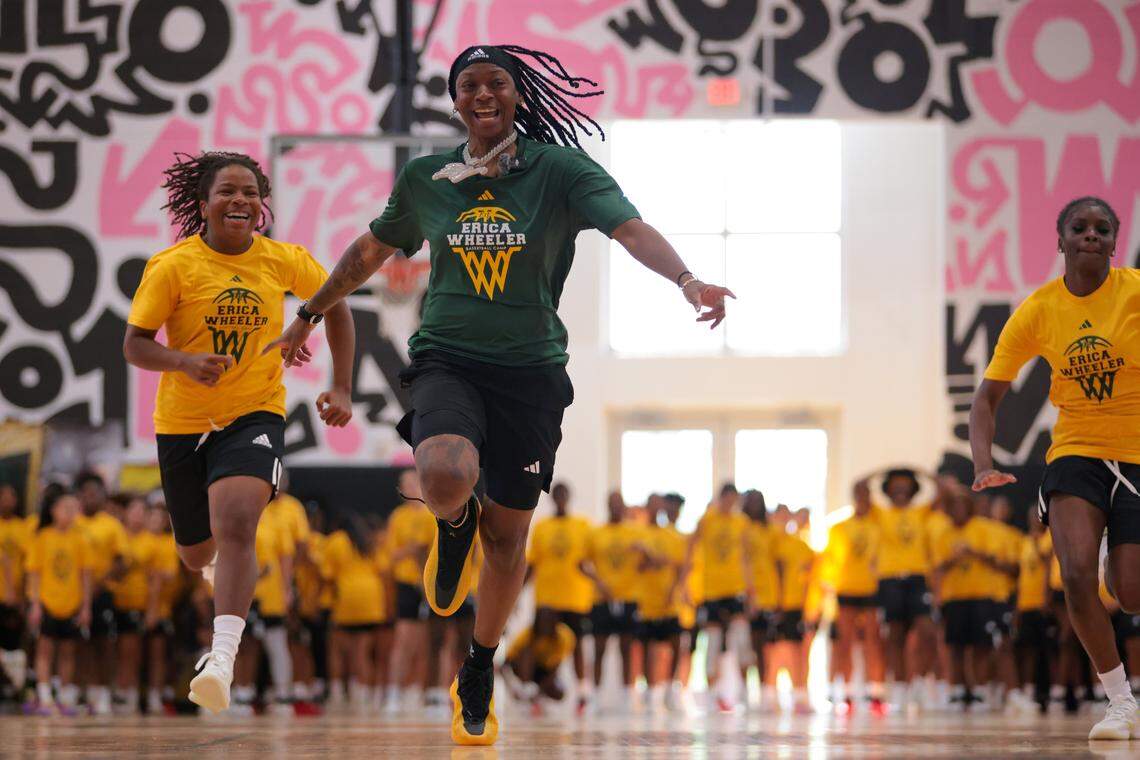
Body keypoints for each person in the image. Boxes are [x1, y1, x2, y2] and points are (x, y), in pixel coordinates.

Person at [265, 43, 734, 745]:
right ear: (454, 101)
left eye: (496, 83)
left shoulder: (561, 172)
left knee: (509, 537)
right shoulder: (429, 177)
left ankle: (478, 664)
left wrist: (688, 280)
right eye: (467, 86)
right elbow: (371, 250)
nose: (481, 94)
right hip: (448, 357)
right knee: (446, 473)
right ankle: (451, 525)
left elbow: (629, 228)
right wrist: (308, 310)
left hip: (532, 370)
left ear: (518, 96)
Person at [122, 150, 355, 713]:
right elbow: (135, 345)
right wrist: (182, 362)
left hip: (254, 412)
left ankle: (221, 658)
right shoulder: (173, 266)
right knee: (195, 551)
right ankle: (213, 579)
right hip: (182, 421)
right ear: (203, 205)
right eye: (227, 191)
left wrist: (342, 386)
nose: (241, 201)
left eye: (251, 192)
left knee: (237, 521)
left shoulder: (284, 260)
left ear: (262, 206)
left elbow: (338, 304)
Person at [969, 196, 1140, 739]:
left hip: (1136, 455)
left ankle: (1117, 546)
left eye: (1102, 229)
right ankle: (1121, 704)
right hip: (1075, 453)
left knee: (1132, 593)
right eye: (1080, 227)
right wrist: (981, 463)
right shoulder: (1039, 310)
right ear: (1061, 239)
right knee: (1074, 574)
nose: (1091, 235)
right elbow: (985, 400)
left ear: (1115, 242)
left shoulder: (1136, 291)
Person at [524, 481, 594, 713]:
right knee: (545, 649)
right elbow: (532, 565)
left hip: (575, 597)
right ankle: (540, 694)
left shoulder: (582, 526)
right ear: (552, 498)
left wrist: (600, 585)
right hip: (547, 599)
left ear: (569, 497)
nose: (561, 498)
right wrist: (516, 594)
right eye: (557, 495)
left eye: (565, 494)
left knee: (577, 646)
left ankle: (583, 694)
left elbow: (587, 563)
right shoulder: (542, 527)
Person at [684, 483, 753, 712]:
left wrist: (750, 588)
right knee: (712, 641)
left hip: (736, 589)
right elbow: (690, 550)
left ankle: (743, 690)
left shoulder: (741, 523)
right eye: (727, 499)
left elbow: (746, 557)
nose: (729, 504)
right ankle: (713, 692)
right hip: (712, 590)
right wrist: (687, 584)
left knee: (741, 638)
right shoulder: (707, 521)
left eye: (734, 501)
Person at [25, 487, 92, 715]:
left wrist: (86, 607)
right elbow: (34, 573)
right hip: (47, 604)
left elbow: (86, 576)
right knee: (44, 651)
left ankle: (63, 697)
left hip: (72, 605)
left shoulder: (80, 539)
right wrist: (34, 604)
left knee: (67, 652)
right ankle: (44, 697)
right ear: (53, 510)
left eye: (73, 508)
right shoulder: (42, 537)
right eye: (65, 508)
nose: (70, 512)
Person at [823, 480, 884, 714]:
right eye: (859, 494)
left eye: (867, 494)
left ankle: (875, 693)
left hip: (871, 590)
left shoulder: (878, 524)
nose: (864, 498)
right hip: (846, 590)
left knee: (872, 641)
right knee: (844, 642)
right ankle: (845, 692)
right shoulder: (839, 527)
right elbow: (830, 564)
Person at [583, 492, 647, 711]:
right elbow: (582, 563)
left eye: (619, 504)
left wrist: (644, 553)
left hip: (628, 597)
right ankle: (596, 696)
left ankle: (627, 695)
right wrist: (598, 582)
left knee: (627, 648)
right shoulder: (597, 533)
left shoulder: (635, 532)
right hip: (602, 598)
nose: (616, 508)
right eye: (612, 504)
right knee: (599, 648)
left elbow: (649, 563)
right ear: (607, 506)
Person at [324, 513, 392, 713]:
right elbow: (384, 569)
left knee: (337, 648)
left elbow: (327, 573)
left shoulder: (336, 541)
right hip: (370, 597)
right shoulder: (368, 541)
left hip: (347, 596)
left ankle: (337, 693)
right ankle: (364, 694)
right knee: (362, 651)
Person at [73, 471, 126, 716]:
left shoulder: (111, 524)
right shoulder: (72, 523)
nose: (90, 498)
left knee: (104, 644)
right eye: (86, 494)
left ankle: (104, 691)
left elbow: (121, 561)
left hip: (102, 594)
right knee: (79, 645)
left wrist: (101, 582)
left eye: (95, 494)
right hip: (76, 594)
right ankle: (83, 691)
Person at [384, 470, 435, 711]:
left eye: (414, 482)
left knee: (425, 644)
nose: (410, 488)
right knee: (403, 640)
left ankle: (420, 691)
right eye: (405, 484)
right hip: (406, 585)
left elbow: (432, 550)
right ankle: (394, 692)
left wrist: (417, 552)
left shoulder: (431, 514)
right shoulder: (397, 517)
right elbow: (392, 554)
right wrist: (411, 549)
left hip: (428, 586)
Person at [634, 493, 687, 713]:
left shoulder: (672, 536)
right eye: (652, 504)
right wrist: (653, 559)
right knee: (647, 647)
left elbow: (679, 567)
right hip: (646, 601)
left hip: (669, 601)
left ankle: (670, 688)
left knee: (676, 643)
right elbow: (638, 565)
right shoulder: (638, 533)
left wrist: (651, 556)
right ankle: (649, 690)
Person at [107, 495, 158, 714]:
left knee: (131, 651)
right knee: (110, 649)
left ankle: (129, 693)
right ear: (125, 513)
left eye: (142, 511)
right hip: (113, 600)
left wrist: (152, 610)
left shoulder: (151, 542)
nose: (137, 515)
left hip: (137, 603)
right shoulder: (117, 535)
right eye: (133, 510)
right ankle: (112, 690)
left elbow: (155, 580)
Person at [772, 507, 817, 714]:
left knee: (800, 650)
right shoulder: (778, 544)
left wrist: (810, 606)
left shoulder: (803, 547)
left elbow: (810, 578)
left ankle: (800, 692)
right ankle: (783, 693)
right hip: (782, 604)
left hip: (799, 605)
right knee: (782, 651)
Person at [1010, 507, 1052, 713]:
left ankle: (1050, 693)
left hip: (1042, 602)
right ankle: (1026, 692)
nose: (1034, 520)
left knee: (1046, 651)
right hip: (1025, 603)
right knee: (1026, 650)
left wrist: (1047, 598)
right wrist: (1017, 608)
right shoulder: (1024, 542)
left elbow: (1048, 568)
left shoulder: (1049, 538)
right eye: (1030, 517)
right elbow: (1022, 576)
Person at [742, 490, 780, 712]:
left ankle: (766, 689)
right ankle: (746, 692)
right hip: (747, 594)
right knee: (745, 645)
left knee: (764, 645)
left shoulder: (771, 531)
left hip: (768, 595)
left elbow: (777, 564)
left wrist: (779, 598)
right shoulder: (741, 529)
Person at [0, 482, 30, 703]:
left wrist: (22, 596)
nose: (7, 500)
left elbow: (29, 565)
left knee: (13, 648)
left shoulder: (24, 527)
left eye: (11, 496)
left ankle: (13, 690)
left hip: (13, 598)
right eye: (3, 496)